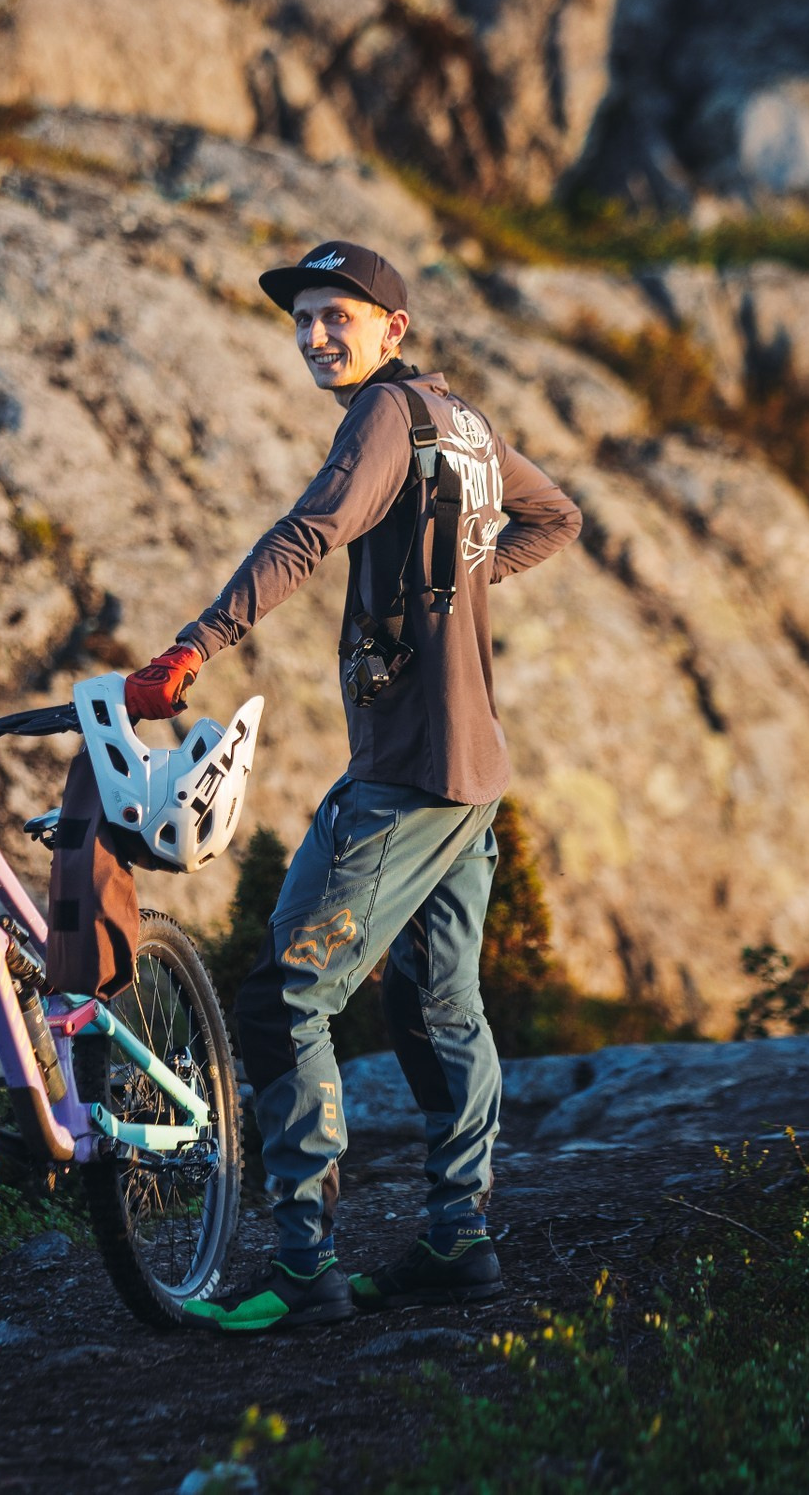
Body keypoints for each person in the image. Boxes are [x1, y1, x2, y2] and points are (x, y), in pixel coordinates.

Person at [121, 240, 583, 1333]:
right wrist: (464, 572)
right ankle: (458, 1239)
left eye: (339, 315)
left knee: (284, 998)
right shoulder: (461, 421)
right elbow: (556, 514)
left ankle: (303, 1260)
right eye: (304, 319)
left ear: (393, 329)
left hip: (410, 769)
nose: (317, 335)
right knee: (437, 1006)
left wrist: (194, 646)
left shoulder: (382, 416)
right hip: (471, 772)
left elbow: (309, 534)